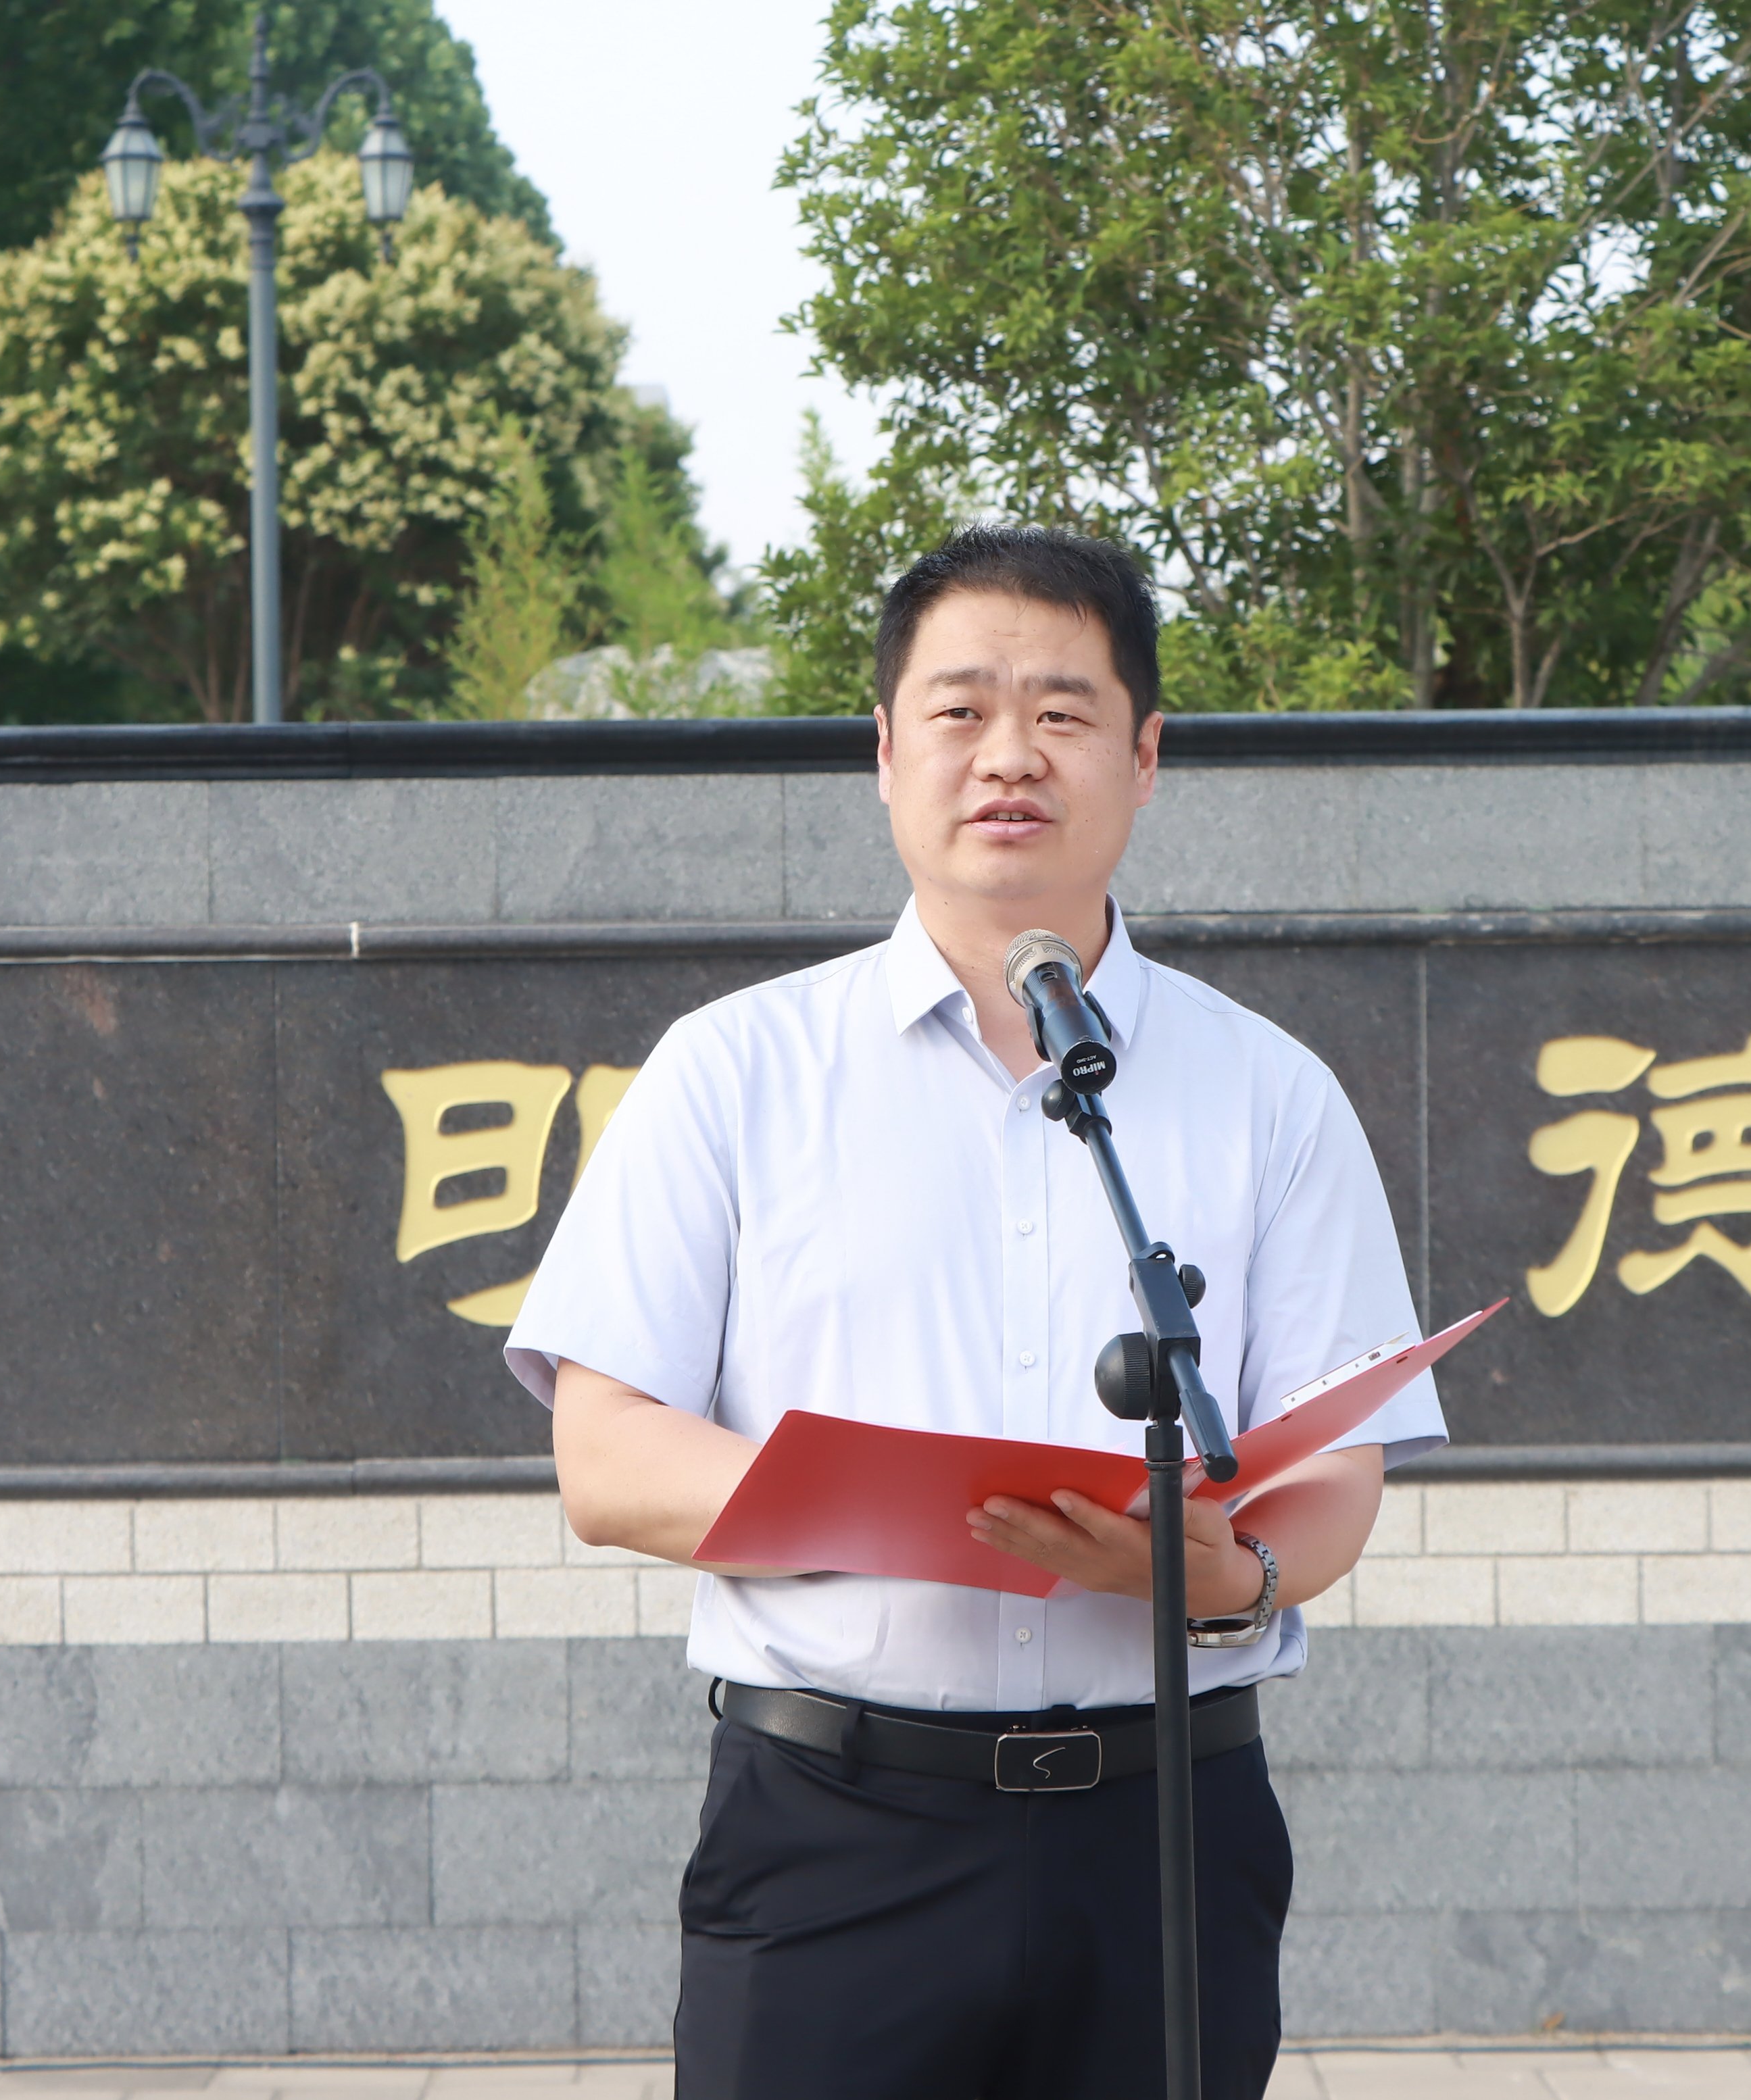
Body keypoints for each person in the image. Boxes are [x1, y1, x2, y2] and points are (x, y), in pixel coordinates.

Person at [504, 526, 1447, 2100]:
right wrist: (917, 1509)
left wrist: (1231, 1576)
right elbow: (606, 1459)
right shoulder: (735, 1072)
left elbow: (1334, 1462)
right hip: (835, 1838)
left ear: (1146, 758)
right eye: (960, 711)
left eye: (1064, 713)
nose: (1010, 754)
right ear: (885, 753)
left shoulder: (1270, 1092)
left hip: (1165, 1835)